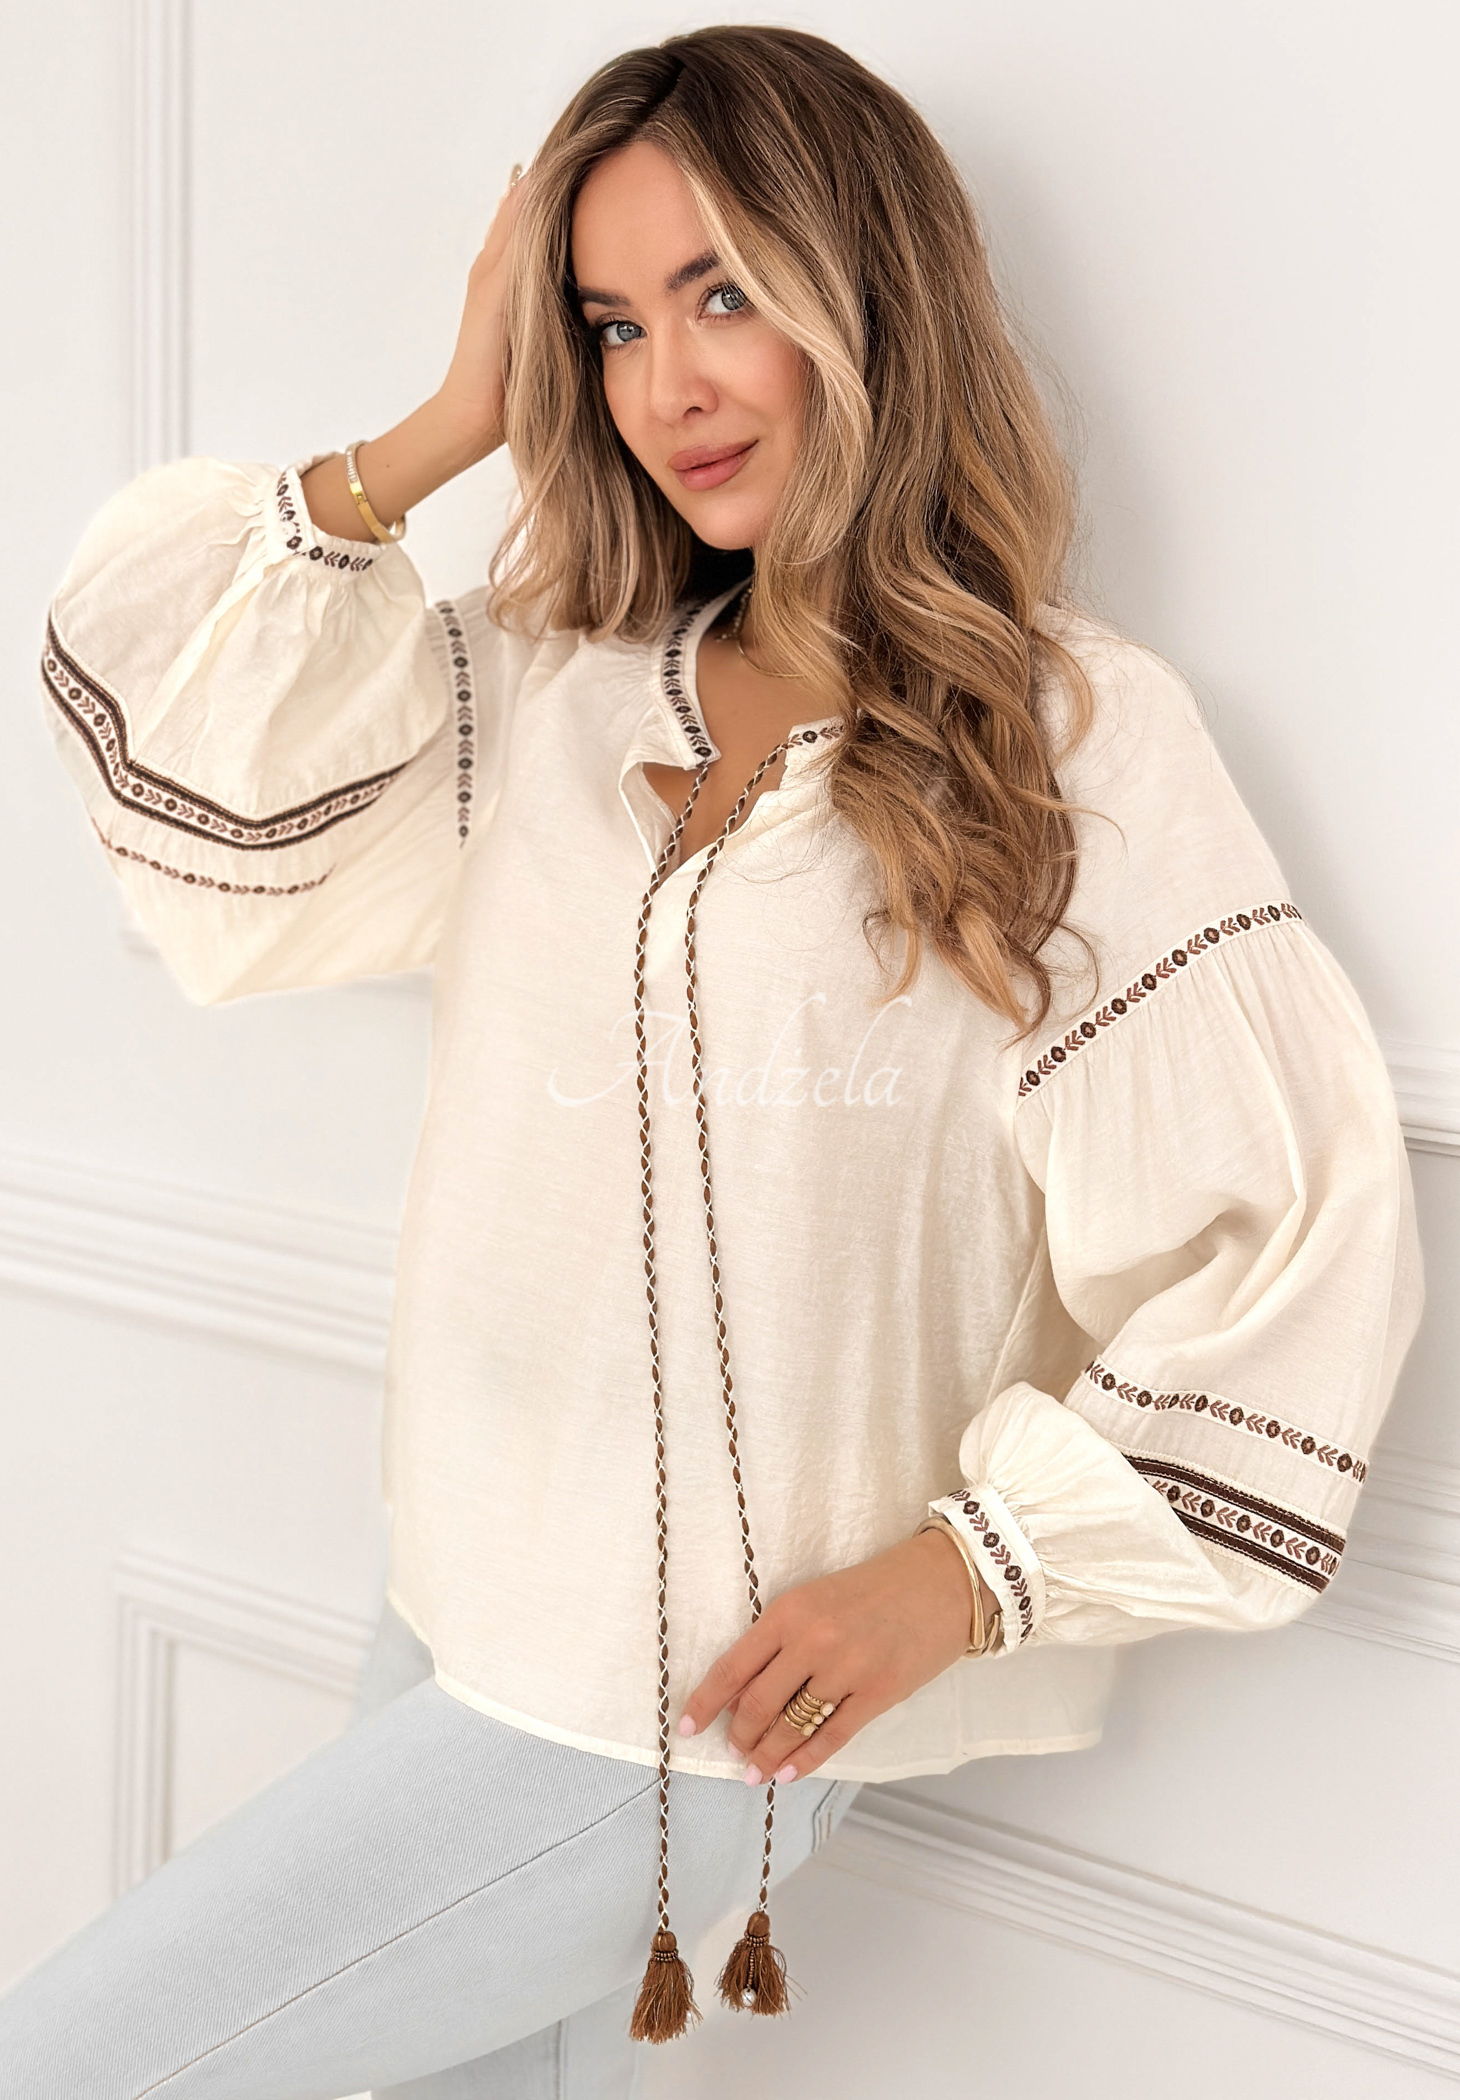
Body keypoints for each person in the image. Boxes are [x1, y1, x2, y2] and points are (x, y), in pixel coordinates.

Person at [6, 22, 1422, 2099]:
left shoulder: (1067, 745)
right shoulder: (556, 690)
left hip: (680, 1703)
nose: (665, 383)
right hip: (457, 1589)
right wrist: (453, 417)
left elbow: (1290, 1229)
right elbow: (177, 745)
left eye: (724, 295)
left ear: (864, 294)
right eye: (607, 323)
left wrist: (965, 1574)